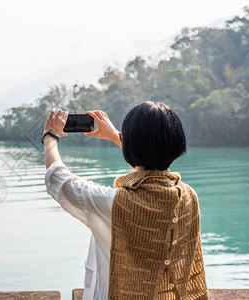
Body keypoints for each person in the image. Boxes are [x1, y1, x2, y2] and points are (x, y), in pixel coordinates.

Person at [42, 101, 208, 300]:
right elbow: (152, 166)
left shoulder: (113, 204)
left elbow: (59, 179)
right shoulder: (188, 197)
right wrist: (117, 137)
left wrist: (50, 136)